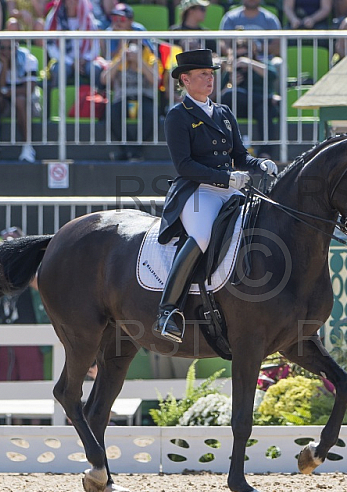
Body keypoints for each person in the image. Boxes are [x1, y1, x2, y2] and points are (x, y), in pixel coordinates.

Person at [155, 49, 277, 342]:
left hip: (230, 189)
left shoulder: (223, 112)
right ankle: (167, 310)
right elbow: (184, 165)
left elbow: (239, 155)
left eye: (211, 74)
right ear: (185, 79)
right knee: (202, 236)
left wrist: (259, 163)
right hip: (197, 191)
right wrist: (225, 177)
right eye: (203, 75)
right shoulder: (178, 116)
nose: (210, 80)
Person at [0, 227, 49, 380]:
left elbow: (39, 285)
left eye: (13, 241)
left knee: (31, 379)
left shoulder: (32, 265)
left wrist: (19, 258)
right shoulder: (1, 269)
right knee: (4, 381)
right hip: (6, 332)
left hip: (29, 331)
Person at [220, 39, 281, 159]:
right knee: (232, 94)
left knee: (264, 109)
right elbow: (222, 96)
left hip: (260, 109)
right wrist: (231, 83)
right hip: (241, 107)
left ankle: (265, 152)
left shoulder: (262, 64)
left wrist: (249, 63)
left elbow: (272, 75)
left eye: (244, 55)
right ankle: (267, 99)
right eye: (238, 56)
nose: (241, 59)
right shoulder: (232, 70)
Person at [101, 33, 158, 161]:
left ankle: (130, 152)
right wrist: (121, 60)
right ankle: (132, 152)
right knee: (112, 113)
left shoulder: (150, 60)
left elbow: (155, 81)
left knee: (150, 114)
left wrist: (140, 61)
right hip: (123, 97)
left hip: (144, 97)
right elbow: (104, 79)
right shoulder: (120, 60)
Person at [0, 40, 40, 163]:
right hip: (4, 103)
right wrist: (4, 65)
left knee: (19, 100)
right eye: (3, 48)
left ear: (16, 48)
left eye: (10, 48)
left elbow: (29, 89)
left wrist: (4, 92)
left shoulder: (29, 60)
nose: (6, 51)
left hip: (26, 103)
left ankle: (28, 146)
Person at [44, 0, 105, 89]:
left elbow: (95, 43)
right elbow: (50, 46)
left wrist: (86, 58)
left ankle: (98, 98)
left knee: (95, 68)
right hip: (64, 60)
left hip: (84, 60)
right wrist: (71, 62)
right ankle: (58, 100)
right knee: (59, 70)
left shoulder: (88, 17)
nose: (72, 2)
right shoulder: (54, 18)